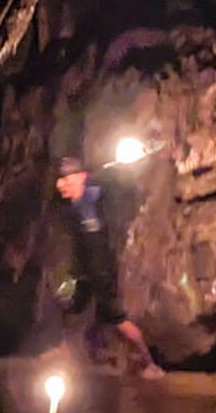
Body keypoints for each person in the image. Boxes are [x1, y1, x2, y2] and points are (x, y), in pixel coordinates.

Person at [53, 155, 163, 375]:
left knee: (118, 320)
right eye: (61, 181)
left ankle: (149, 363)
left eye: (69, 180)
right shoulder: (77, 204)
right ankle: (65, 354)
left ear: (82, 178)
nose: (62, 186)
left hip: (101, 272)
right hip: (88, 271)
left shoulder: (93, 197)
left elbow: (107, 187)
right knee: (70, 311)